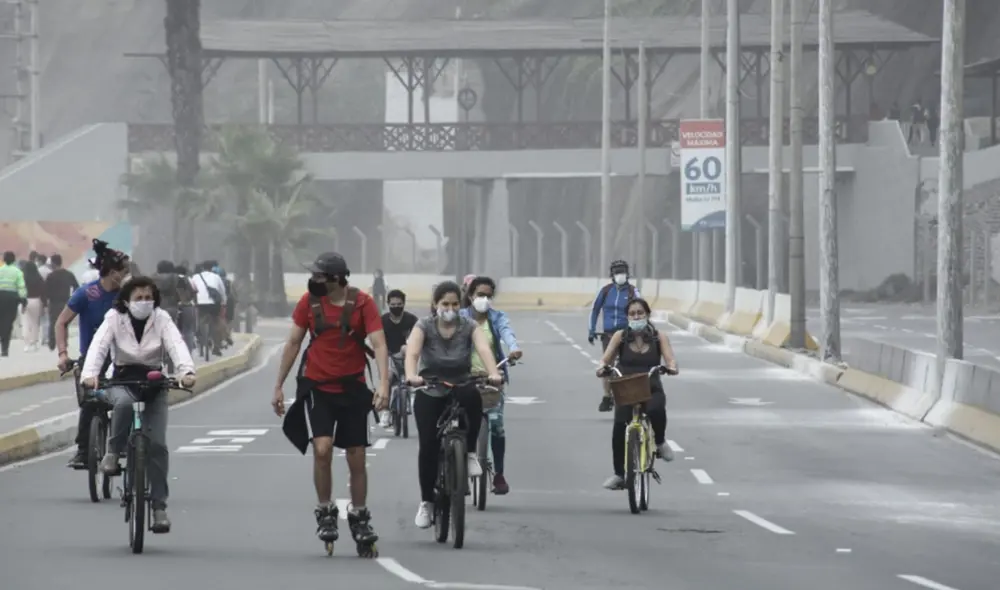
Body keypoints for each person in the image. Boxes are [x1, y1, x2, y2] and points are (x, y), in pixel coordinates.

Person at [272, 252, 390, 551]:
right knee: (322, 448)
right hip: (318, 386)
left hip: (353, 387)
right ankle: (325, 510)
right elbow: (294, 342)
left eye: (319, 276)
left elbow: (379, 343)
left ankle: (359, 515)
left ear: (336, 279)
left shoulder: (363, 303)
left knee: (356, 455)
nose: (313, 280)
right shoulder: (308, 303)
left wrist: (383, 384)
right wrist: (278, 385)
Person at [81, 275, 195, 533]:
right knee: (122, 404)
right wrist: (90, 374)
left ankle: (159, 508)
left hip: (154, 382)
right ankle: (113, 452)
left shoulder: (162, 318)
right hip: (122, 380)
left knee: (158, 446)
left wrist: (186, 371)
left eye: (148, 298)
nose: (144, 302)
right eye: (139, 298)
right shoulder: (114, 318)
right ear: (126, 301)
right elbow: (99, 346)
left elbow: (176, 344)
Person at [404, 281, 503, 529]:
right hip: (430, 385)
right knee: (428, 445)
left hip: (461, 381)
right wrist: (412, 375)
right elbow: (413, 353)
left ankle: (469, 454)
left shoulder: (469, 325)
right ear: (435, 304)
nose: (450, 309)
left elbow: (484, 349)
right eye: (445, 304)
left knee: (473, 398)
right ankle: (427, 502)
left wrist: (493, 373)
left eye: (455, 304)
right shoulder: (423, 325)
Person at [57, 239, 131, 469]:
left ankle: (123, 442)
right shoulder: (86, 294)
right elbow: (61, 322)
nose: (127, 276)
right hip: (91, 359)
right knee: (89, 404)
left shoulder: (128, 295)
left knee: (126, 400)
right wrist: (63, 354)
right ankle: (83, 451)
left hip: (121, 359)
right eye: (125, 271)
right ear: (113, 273)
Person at [596, 298, 679, 490]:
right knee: (619, 427)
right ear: (627, 317)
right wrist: (601, 368)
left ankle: (660, 442)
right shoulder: (620, 336)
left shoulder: (659, 337)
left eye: (640, 313)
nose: (636, 317)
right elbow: (605, 359)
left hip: (650, 385)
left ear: (647, 315)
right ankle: (619, 474)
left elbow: (670, 359)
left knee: (657, 408)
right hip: (626, 386)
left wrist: (671, 367)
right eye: (632, 313)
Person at [460, 276, 522, 495]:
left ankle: (499, 474)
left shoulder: (497, 317)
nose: (484, 299)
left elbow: (507, 333)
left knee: (497, 426)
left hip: (492, 377)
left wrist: (514, 348)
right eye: (480, 295)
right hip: (465, 378)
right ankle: (459, 471)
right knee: (460, 426)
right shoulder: (461, 318)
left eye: (488, 295)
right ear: (470, 296)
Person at [588, 259, 640, 412]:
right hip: (608, 335)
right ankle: (606, 396)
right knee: (606, 366)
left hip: (627, 335)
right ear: (612, 274)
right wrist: (591, 329)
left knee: (630, 365)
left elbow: (642, 310)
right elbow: (595, 310)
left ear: (628, 273)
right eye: (617, 272)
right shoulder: (605, 291)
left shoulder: (633, 292)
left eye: (622, 271)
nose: (620, 275)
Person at [377, 289, 418, 428]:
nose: (396, 307)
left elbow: (419, 338)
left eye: (399, 304)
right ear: (388, 304)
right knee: (388, 378)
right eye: (393, 304)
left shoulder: (411, 320)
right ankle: (386, 411)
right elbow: (376, 340)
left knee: (413, 379)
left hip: (408, 355)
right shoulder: (382, 321)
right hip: (389, 355)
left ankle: (411, 397)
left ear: (404, 304)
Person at [191, 262, 227, 357]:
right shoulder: (216, 277)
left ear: (202, 268)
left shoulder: (195, 277)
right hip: (214, 303)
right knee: (216, 321)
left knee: (200, 319)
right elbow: (222, 291)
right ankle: (216, 347)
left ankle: (201, 336)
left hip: (200, 303)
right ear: (212, 268)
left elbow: (192, 289)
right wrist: (224, 302)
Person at [44, 254, 79, 351]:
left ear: (53, 263)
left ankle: (52, 343)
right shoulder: (69, 274)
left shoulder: (50, 276)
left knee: (53, 322)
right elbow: (76, 287)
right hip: (66, 302)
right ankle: (64, 342)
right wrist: (72, 298)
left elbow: (45, 291)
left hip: (53, 303)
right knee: (64, 322)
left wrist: (46, 303)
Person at [0, 251, 26, 357]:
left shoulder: (0, 270)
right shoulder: (17, 272)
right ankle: (5, 349)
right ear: (14, 260)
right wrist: (23, 300)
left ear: (4, 260)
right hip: (12, 299)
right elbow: (21, 287)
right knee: (8, 323)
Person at [20, 261, 45, 352]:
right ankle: (34, 343)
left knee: (25, 323)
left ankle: (26, 344)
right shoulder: (39, 278)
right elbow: (43, 291)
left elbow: (21, 291)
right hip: (36, 300)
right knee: (35, 323)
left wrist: (22, 304)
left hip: (25, 301)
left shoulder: (23, 278)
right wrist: (44, 304)